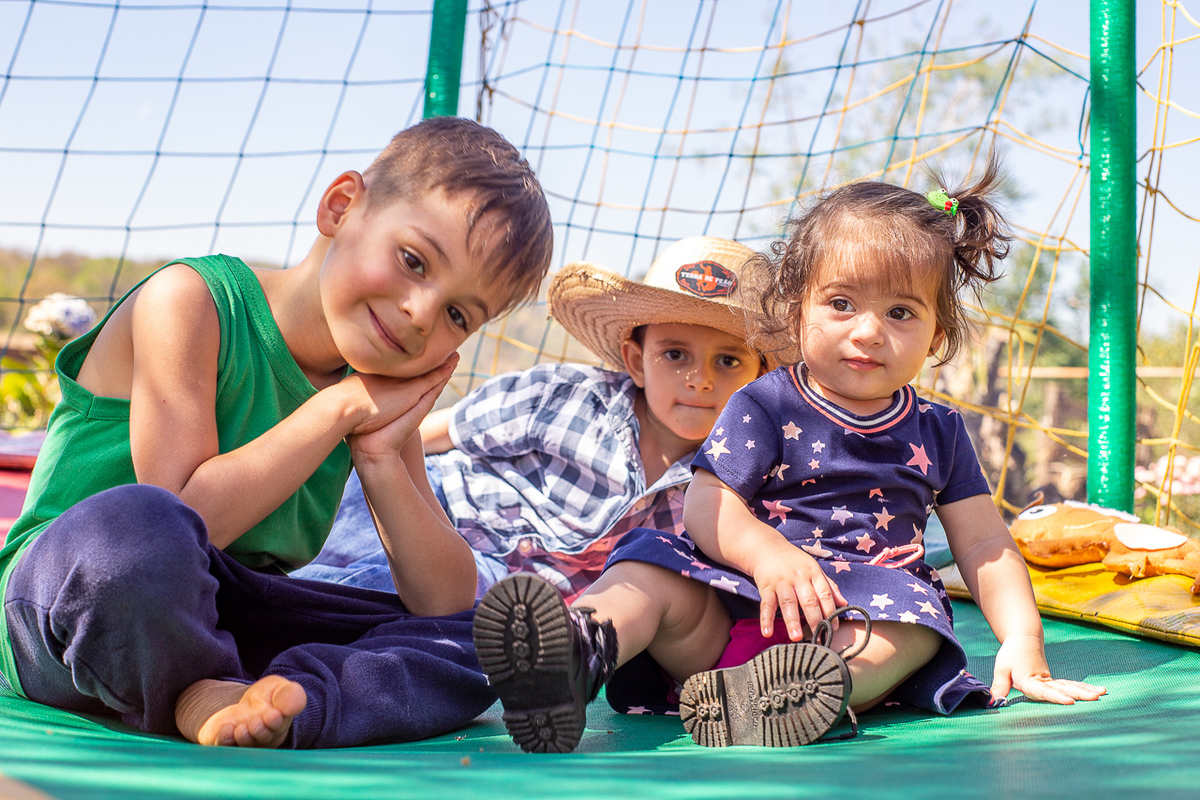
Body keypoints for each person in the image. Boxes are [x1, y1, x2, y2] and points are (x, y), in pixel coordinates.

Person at [472, 160, 1106, 754]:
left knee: (916, 621)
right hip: (734, 603)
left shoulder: (938, 430)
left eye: (901, 312)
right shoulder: (766, 402)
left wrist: (1023, 638)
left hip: (853, 615)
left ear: (936, 336)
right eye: (841, 303)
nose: (867, 330)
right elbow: (707, 501)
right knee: (650, 561)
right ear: (795, 310)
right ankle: (577, 650)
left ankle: (803, 698)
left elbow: (984, 546)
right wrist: (768, 555)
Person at [0, 117, 553, 749]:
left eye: (457, 314)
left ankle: (285, 703)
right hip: (71, 601)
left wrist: (378, 458)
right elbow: (187, 516)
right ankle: (198, 688)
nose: (421, 313)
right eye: (412, 260)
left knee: (489, 636)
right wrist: (334, 412)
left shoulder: (369, 387)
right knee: (140, 527)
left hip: (222, 612)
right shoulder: (189, 301)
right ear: (341, 207)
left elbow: (444, 598)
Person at [294, 236, 786, 603]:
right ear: (635, 361)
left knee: (363, 598)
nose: (699, 379)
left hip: (498, 586)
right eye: (675, 354)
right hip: (441, 500)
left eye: (727, 361)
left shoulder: (737, 482)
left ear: (759, 375)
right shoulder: (566, 395)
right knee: (308, 538)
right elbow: (434, 432)